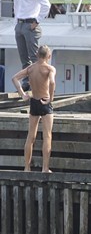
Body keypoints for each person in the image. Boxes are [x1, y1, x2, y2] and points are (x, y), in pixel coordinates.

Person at [11, 45, 56, 173]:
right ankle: (45, 168)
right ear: (49, 56)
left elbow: (14, 78)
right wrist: (51, 98)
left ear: (37, 55)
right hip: (45, 102)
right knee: (47, 136)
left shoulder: (30, 69)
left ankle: (27, 167)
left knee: (31, 136)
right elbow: (52, 82)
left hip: (34, 102)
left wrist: (23, 94)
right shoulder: (49, 68)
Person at [14, 0, 51, 91]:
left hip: (30, 23)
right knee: (24, 57)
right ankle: (27, 82)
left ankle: (40, 83)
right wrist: (16, 24)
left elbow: (46, 4)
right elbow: (16, 6)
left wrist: (37, 21)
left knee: (36, 57)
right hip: (20, 24)